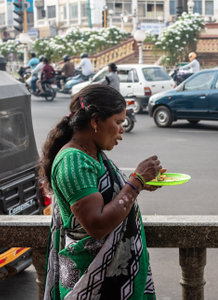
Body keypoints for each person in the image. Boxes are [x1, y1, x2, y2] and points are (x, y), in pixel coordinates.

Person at [40, 84, 162, 299]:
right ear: (95, 121)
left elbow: (106, 194)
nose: (122, 130)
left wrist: (141, 183)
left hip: (112, 278)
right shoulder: (73, 161)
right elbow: (97, 225)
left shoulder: (91, 154)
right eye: (118, 122)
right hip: (92, 281)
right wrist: (136, 181)